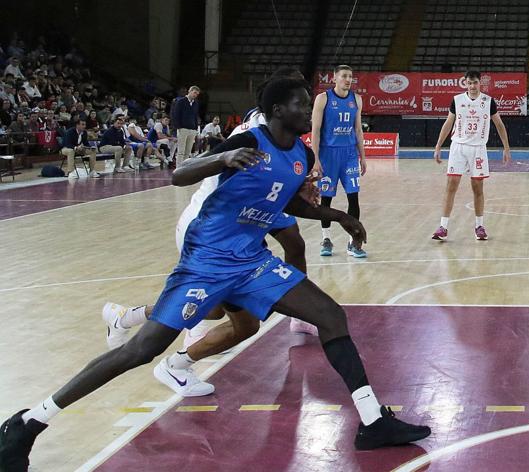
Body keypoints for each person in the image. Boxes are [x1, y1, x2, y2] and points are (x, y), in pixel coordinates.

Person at [0, 78, 431, 469]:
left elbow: (286, 205)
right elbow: (178, 175)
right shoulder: (248, 139)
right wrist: (223, 157)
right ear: (278, 110)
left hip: (251, 261)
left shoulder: (303, 153)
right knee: (142, 350)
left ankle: (373, 422)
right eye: (301, 104)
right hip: (206, 259)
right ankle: (29, 421)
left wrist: (336, 215)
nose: (307, 111)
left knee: (332, 317)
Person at [102, 69, 320, 396]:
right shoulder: (259, 135)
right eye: (300, 97)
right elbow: (191, 173)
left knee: (236, 308)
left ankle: (131, 321)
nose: (306, 105)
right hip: (208, 226)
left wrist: (299, 188)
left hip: (232, 223)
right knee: (221, 309)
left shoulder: (275, 133)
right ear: (280, 102)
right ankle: (165, 351)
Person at [431, 71, 512, 241]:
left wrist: (506, 148)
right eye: (469, 83)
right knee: (451, 185)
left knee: (477, 188)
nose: (472, 86)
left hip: (478, 148)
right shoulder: (457, 100)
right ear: (465, 84)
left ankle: (479, 226)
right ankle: (443, 227)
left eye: (475, 83)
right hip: (458, 147)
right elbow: (448, 123)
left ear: (480, 83)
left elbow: (499, 124)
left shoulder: (488, 102)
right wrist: (438, 145)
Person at [311, 65, 368, 259]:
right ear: (334, 78)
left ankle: (354, 241)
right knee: (326, 198)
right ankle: (326, 238)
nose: (348, 79)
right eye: (344, 76)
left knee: (354, 197)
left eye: (350, 76)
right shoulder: (323, 99)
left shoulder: (356, 99)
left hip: (349, 154)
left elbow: (358, 130)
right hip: (328, 155)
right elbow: (316, 131)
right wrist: (315, 159)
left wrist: (363, 156)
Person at [170, 86, 202, 166]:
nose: (195, 95)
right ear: (189, 91)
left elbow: (195, 116)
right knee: (181, 151)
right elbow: (175, 115)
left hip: (192, 129)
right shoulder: (180, 101)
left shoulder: (195, 103)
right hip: (183, 129)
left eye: (197, 94)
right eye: (194, 92)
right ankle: (178, 169)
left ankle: (184, 168)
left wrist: (195, 128)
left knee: (188, 151)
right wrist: (178, 127)